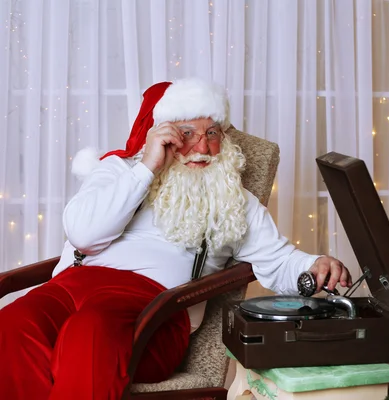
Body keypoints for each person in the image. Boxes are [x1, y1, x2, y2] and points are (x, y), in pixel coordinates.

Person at [0, 78, 352, 399]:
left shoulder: (231, 198)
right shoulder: (118, 171)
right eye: (186, 133)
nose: (201, 146)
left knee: (90, 332)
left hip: (153, 313)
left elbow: (278, 259)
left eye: (212, 133)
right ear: (162, 135)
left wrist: (313, 264)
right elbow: (84, 235)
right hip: (69, 289)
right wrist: (147, 168)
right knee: (12, 325)